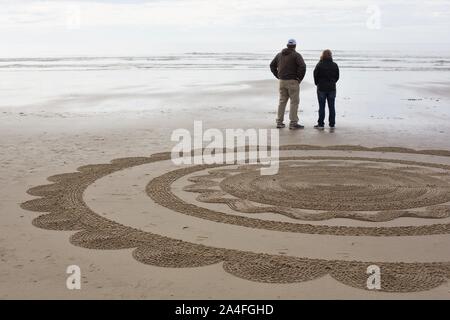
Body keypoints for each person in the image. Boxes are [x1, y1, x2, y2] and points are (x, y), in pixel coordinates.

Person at [270, 39, 306, 130]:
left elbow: (272, 65)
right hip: (292, 81)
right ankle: (293, 123)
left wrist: (278, 75)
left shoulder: (279, 55)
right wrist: (299, 78)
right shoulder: (296, 55)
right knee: (294, 102)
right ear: (295, 46)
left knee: (282, 102)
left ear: (287, 45)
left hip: (282, 81)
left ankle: (279, 122)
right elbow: (303, 66)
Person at [313, 49, 340, 129]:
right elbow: (337, 76)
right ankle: (332, 124)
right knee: (332, 106)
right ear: (330, 55)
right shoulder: (334, 65)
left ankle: (321, 124)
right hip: (332, 88)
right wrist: (333, 82)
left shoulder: (319, 64)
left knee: (321, 106)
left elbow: (315, 75)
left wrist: (317, 83)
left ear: (322, 55)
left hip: (321, 87)